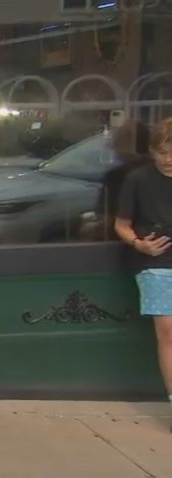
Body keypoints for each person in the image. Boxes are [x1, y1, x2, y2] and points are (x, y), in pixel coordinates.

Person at [113, 116, 172, 414]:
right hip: (156, 262)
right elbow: (121, 224)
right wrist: (139, 244)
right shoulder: (138, 180)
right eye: (162, 152)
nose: (168, 160)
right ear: (152, 151)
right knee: (168, 331)